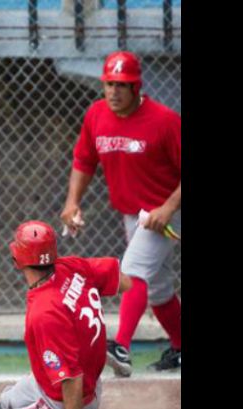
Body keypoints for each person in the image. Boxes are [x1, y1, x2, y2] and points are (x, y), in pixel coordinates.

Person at [60, 51, 181, 377]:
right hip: (133, 213)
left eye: (122, 85)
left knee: (132, 270)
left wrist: (168, 208)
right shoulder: (97, 115)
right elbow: (84, 160)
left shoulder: (165, 120)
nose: (113, 91)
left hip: (169, 209)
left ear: (137, 87)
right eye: (109, 84)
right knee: (158, 289)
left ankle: (121, 348)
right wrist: (73, 202)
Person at [0, 221, 131, 409]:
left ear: (17, 261)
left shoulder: (45, 312)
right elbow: (124, 281)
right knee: (9, 397)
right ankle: (10, 406)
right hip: (84, 379)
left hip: (63, 405)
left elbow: (72, 378)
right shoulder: (71, 266)